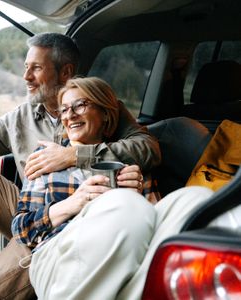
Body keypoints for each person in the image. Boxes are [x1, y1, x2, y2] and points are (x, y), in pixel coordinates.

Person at [0, 33, 161, 300]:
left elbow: (148, 148)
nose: (26, 77)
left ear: (65, 71)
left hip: (80, 225)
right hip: (31, 213)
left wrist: (74, 156)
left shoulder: (100, 108)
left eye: (36, 68)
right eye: (25, 67)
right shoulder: (20, 118)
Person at [11, 77, 214, 299]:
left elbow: (158, 230)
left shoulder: (129, 163)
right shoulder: (46, 160)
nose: (70, 115)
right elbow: (21, 229)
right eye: (64, 110)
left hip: (132, 263)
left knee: (195, 199)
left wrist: (140, 199)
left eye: (80, 105)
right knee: (125, 203)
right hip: (60, 261)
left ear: (105, 115)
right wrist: (73, 204)